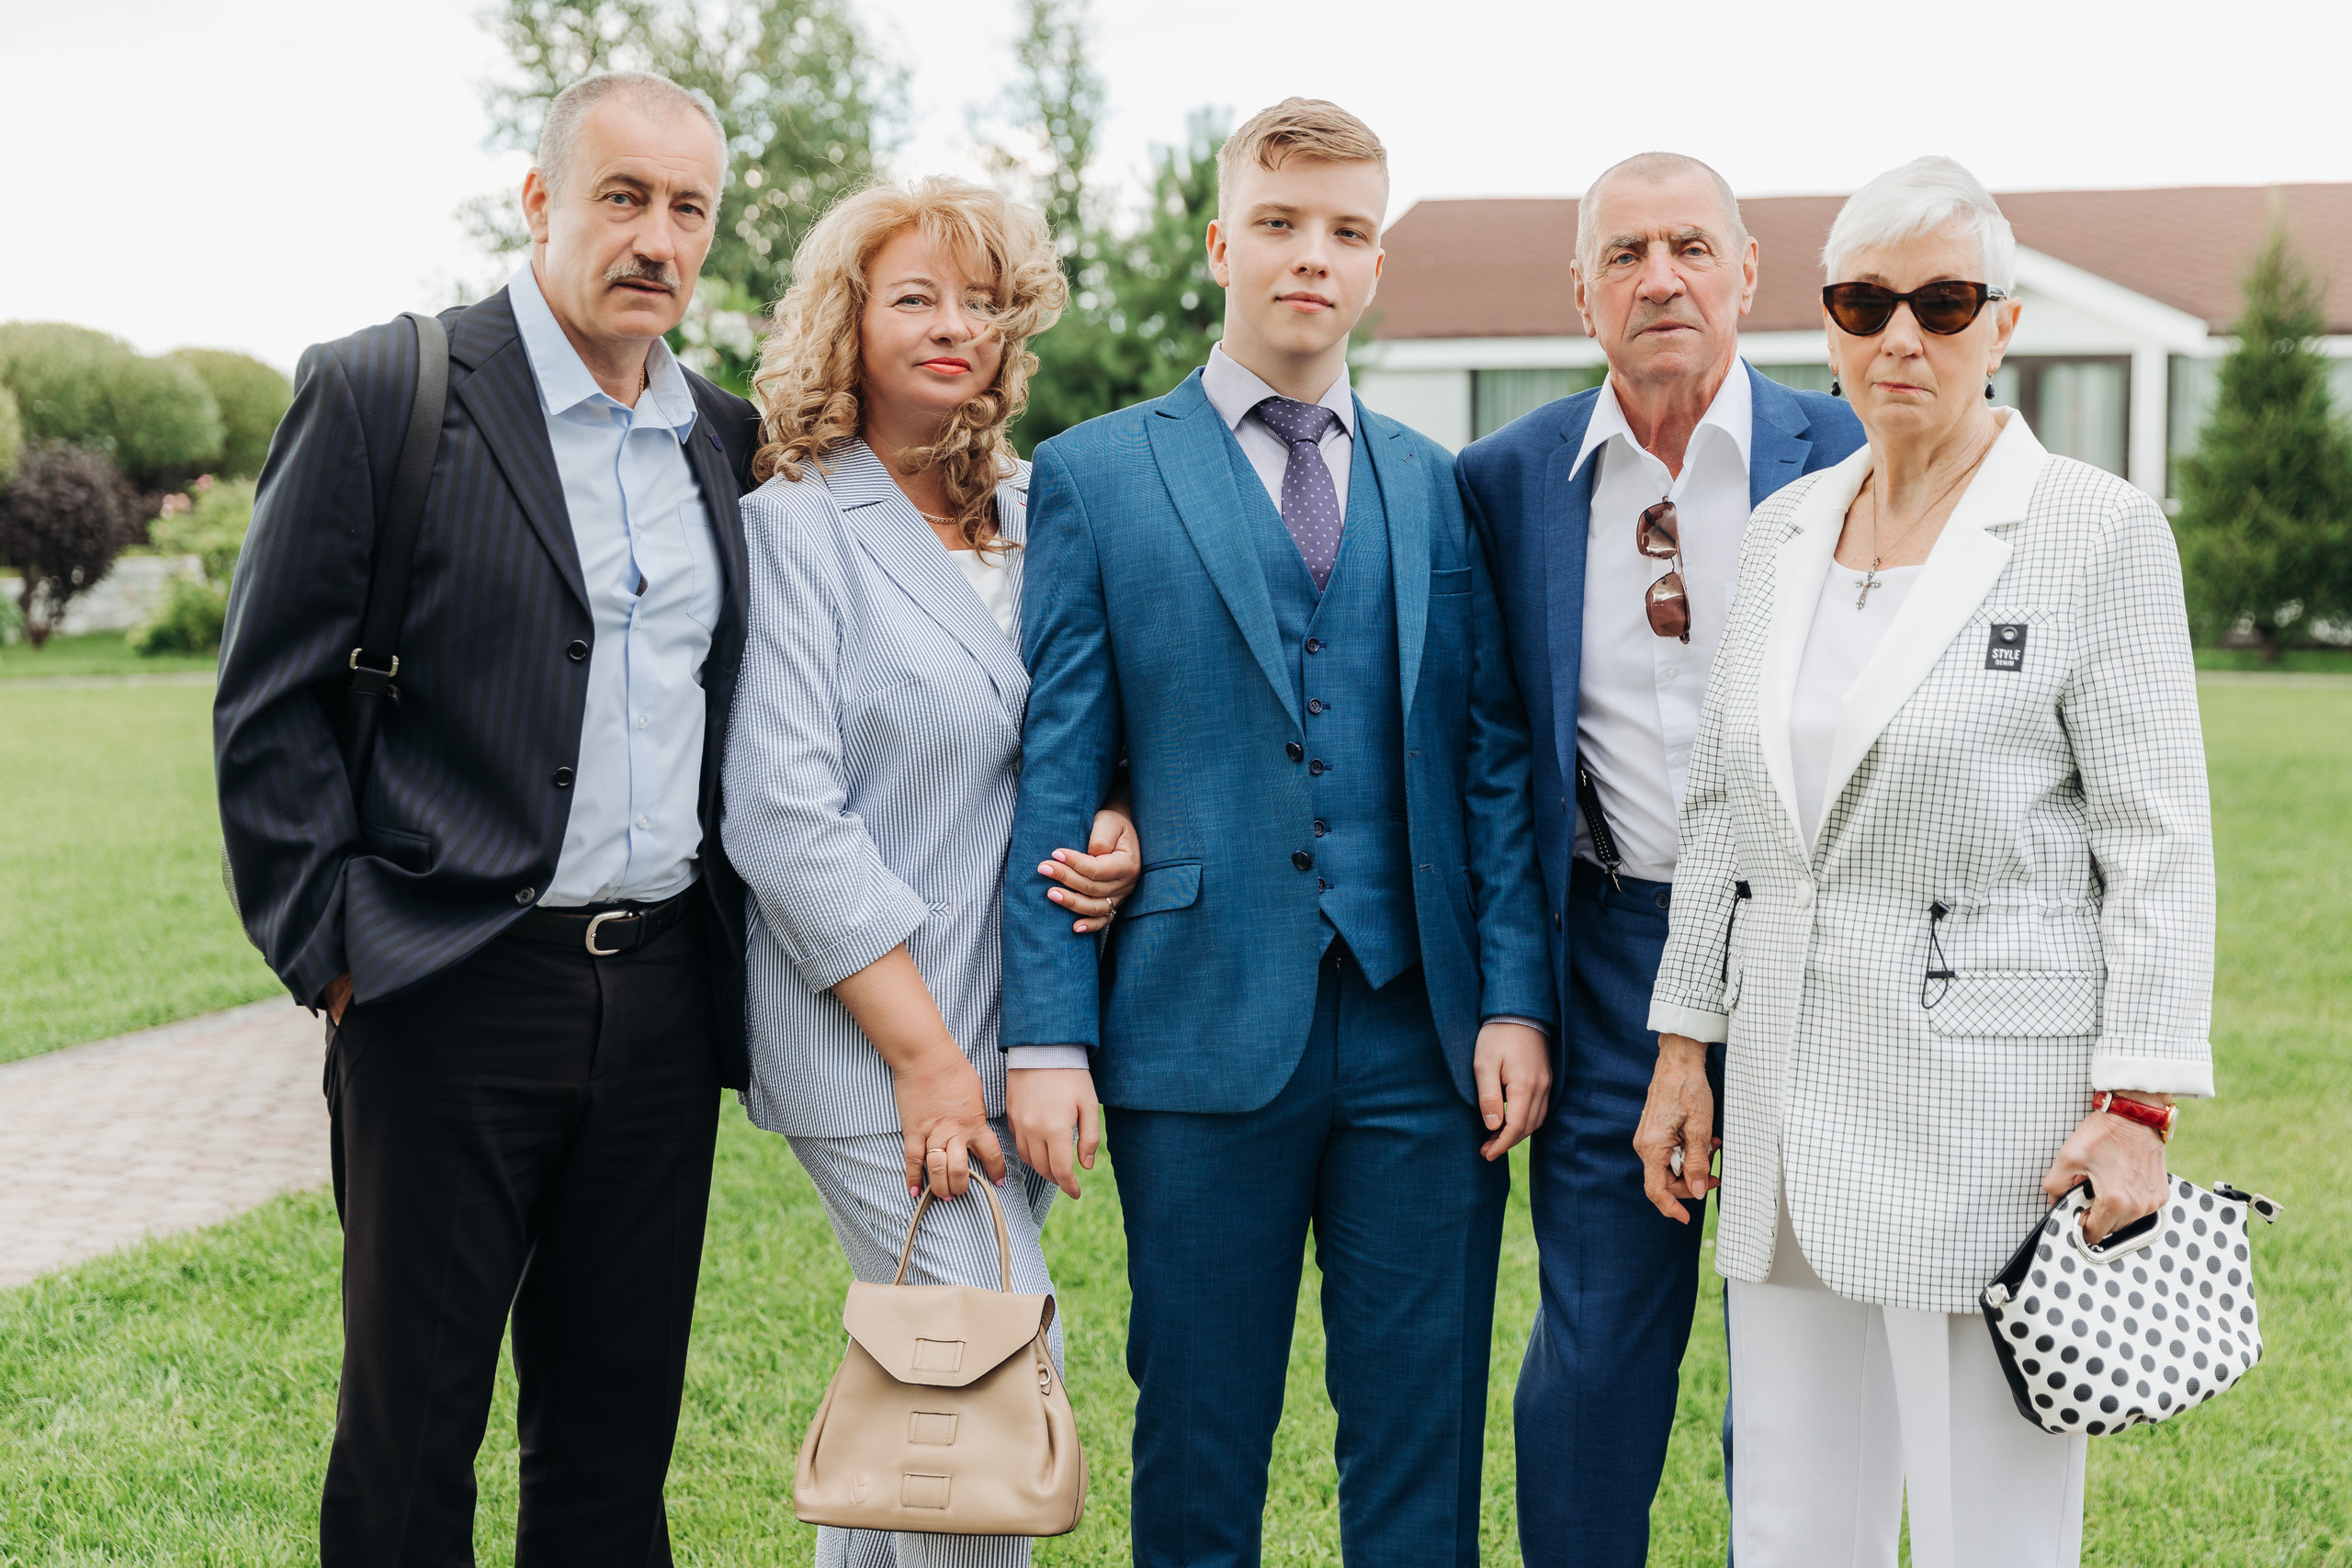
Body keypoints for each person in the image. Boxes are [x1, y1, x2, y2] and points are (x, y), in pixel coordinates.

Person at [999, 98, 1558, 1567]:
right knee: (1198, 1435)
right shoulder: (1097, 474)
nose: (1314, 255)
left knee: (1424, 1441)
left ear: (1377, 264)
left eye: (1348, 230)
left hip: (1421, 1034)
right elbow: (1060, 766)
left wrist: (1513, 1000)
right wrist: (1047, 1036)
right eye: (1282, 223)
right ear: (1221, 243)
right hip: (1194, 1029)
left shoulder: (1436, 484)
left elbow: (1490, 763)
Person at [1637, 155, 2214, 1568]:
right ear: (1830, 324)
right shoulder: (1783, 532)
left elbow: (2159, 839)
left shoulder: (2095, 532)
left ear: (2002, 325)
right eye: (1866, 302)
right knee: (1788, 1519)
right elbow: (1722, 810)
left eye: (1944, 303)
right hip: (1787, 1102)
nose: (1902, 335)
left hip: (1994, 1126)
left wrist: (2136, 1103)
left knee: (1989, 1533)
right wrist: (1684, 1046)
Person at [216, 72, 761, 1565]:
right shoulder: (383, 392)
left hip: (663, 1001)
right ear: (539, 201)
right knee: (410, 1444)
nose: (657, 238)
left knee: (614, 1449)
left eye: (689, 208)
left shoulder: (726, 437)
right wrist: (338, 955)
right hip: (446, 990)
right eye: (623, 197)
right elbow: (269, 707)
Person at [720, 175, 1141, 1568]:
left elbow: (1090, 726)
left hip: (1025, 1023)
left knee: (924, 1383)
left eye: (982, 302)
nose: (955, 325)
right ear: (847, 322)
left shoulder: (1042, 511)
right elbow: (781, 813)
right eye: (916, 298)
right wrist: (925, 1061)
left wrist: (1122, 815)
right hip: (878, 1043)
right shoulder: (796, 528)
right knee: (989, 1377)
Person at [1453, 150, 1865, 1565]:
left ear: (1747, 272)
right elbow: (1495, 754)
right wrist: (1518, 995)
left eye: (1691, 246)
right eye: (1625, 254)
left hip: (1820, 958)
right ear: (1583, 293)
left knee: (1803, 1367)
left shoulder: (1850, 451)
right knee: (1590, 1361)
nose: (1661, 278)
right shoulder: (1506, 482)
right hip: (1613, 955)